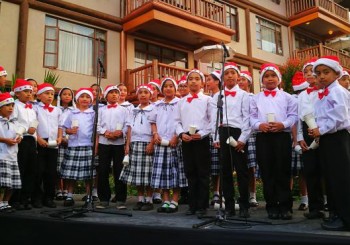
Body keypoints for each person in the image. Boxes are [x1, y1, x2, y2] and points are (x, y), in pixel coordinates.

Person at [250, 63, 298, 220]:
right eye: (266, 76)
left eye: (273, 75)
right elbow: (251, 117)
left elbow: (293, 116)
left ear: (279, 79)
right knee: (267, 172)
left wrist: (283, 124)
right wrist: (259, 125)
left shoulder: (288, 97)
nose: (270, 79)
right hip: (263, 137)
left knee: (283, 171)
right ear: (262, 80)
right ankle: (271, 206)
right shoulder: (255, 98)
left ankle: (285, 207)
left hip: (282, 137)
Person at [308, 56, 350, 231]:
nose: (321, 76)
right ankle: (335, 213)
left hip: (338, 138)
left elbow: (340, 117)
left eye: (326, 72)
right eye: (318, 73)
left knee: (341, 178)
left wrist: (321, 130)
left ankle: (346, 218)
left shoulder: (337, 91)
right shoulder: (323, 93)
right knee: (331, 177)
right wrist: (317, 130)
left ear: (336, 73)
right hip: (328, 138)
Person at [212, 63, 251, 218]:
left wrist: (243, 138)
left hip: (238, 132)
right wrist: (215, 137)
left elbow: (247, 117)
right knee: (225, 171)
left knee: (242, 171)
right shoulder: (217, 96)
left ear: (238, 76)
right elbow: (214, 119)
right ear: (222, 78)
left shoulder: (244, 95)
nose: (229, 76)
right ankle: (229, 206)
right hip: (222, 131)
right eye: (226, 73)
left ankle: (244, 206)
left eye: (232, 73)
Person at [175, 69, 213, 217]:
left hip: (201, 139)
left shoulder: (207, 100)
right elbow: (176, 121)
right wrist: (181, 134)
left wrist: (202, 134)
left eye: (197, 78)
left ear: (202, 82)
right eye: (191, 79)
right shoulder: (181, 102)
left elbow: (212, 121)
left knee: (203, 173)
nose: (193, 81)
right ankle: (192, 205)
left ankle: (202, 206)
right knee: (190, 172)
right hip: (186, 140)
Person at [150, 77, 188, 213]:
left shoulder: (180, 103)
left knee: (175, 172)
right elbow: (152, 121)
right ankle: (166, 200)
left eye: (171, 86)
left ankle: (175, 201)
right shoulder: (157, 105)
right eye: (165, 86)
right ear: (162, 89)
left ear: (175, 88)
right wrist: (155, 134)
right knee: (163, 173)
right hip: (160, 143)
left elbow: (183, 121)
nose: (168, 88)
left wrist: (176, 136)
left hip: (175, 143)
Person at [296, 59, 325, 220]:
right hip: (308, 133)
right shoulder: (301, 96)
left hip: (325, 132)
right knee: (311, 171)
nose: (309, 74)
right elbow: (299, 118)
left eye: (312, 71)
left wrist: (321, 130)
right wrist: (300, 137)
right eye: (306, 72)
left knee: (327, 171)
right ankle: (315, 207)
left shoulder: (325, 92)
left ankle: (333, 205)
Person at [119, 84, 155, 211]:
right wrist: (127, 144)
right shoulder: (133, 110)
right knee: (138, 174)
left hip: (147, 143)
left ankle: (149, 200)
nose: (143, 95)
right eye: (140, 92)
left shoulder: (154, 109)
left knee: (148, 173)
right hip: (135, 143)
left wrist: (152, 143)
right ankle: (140, 199)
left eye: (146, 92)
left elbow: (155, 128)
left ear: (150, 95)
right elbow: (129, 128)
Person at [60, 88, 95, 207]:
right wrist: (69, 131)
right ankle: (69, 196)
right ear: (77, 99)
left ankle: (89, 196)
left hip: (87, 146)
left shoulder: (93, 113)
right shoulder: (72, 113)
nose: (85, 99)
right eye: (82, 96)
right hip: (73, 145)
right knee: (71, 174)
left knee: (87, 174)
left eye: (87, 97)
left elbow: (96, 130)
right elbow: (65, 128)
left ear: (91, 100)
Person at [96, 85, 129, 209]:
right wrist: (106, 132)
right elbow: (97, 125)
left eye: (116, 92)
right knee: (103, 170)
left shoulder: (124, 110)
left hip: (119, 143)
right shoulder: (101, 110)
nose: (114, 95)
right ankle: (104, 199)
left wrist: (120, 133)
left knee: (119, 170)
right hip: (104, 143)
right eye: (111, 93)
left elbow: (127, 124)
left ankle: (120, 199)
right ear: (106, 96)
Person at [10, 79, 37, 210]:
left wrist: (34, 135)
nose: (28, 94)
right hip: (21, 139)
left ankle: (25, 198)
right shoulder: (14, 106)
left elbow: (34, 124)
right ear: (17, 93)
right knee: (20, 169)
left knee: (30, 170)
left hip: (31, 140)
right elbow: (13, 122)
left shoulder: (31, 108)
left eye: (30, 92)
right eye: (25, 91)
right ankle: (15, 199)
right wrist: (26, 130)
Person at [34, 83, 63, 208]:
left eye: (52, 94)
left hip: (53, 142)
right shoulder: (35, 108)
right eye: (47, 93)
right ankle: (36, 198)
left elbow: (60, 126)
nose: (50, 96)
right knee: (39, 171)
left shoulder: (57, 110)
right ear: (39, 95)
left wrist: (60, 137)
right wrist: (38, 138)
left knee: (51, 172)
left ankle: (49, 197)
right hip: (40, 142)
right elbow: (33, 125)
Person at [238, 70, 259, 208]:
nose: (240, 82)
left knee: (250, 166)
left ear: (249, 83)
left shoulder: (254, 97)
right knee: (239, 166)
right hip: (235, 134)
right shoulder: (234, 96)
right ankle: (241, 195)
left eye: (243, 80)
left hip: (250, 135)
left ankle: (252, 195)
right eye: (238, 79)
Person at [290, 71, 309, 212]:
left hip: (312, 134)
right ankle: (304, 199)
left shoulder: (312, 96)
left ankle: (324, 199)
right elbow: (294, 121)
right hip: (295, 137)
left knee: (313, 170)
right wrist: (295, 140)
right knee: (295, 170)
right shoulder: (292, 99)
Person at [0, 93, 22, 212]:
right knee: (2, 182)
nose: (11, 108)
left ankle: (5, 202)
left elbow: (20, 133)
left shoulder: (14, 122)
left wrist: (19, 138)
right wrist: (4, 140)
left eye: (12, 105)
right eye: (7, 105)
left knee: (12, 182)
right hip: (1, 155)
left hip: (12, 156)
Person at [55, 87, 75, 201]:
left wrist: (67, 138)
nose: (67, 96)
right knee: (57, 167)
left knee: (67, 166)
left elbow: (74, 125)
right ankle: (58, 189)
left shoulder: (74, 110)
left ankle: (67, 189)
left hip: (69, 141)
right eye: (64, 94)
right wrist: (60, 138)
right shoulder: (56, 109)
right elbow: (56, 125)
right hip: (57, 140)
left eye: (69, 94)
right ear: (60, 96)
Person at [206, 71, 221, 207]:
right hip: (209, 134)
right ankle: (214, 192)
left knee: (219, 166)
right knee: (212, 166)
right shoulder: (208, 97)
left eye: (209, 79)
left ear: (217, 81)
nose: (207, 82)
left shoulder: (221, 96)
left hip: (218, 135)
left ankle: (218, 192)